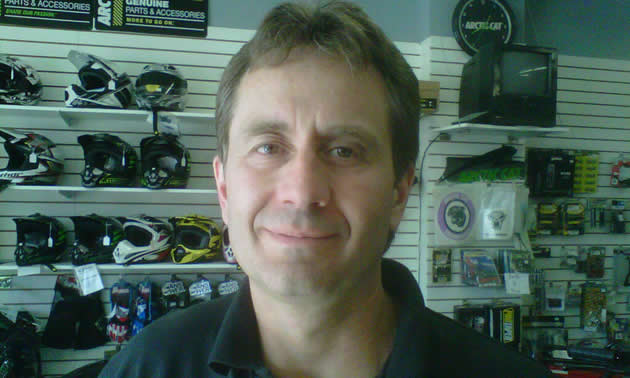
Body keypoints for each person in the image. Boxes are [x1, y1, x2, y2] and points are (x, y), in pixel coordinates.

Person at [99, 1, 552, 377]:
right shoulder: (145, 367)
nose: (301, 191)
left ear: (399, 192)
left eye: (344, 151)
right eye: (268, 147)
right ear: (223, 187)